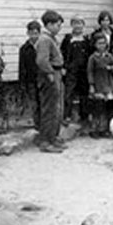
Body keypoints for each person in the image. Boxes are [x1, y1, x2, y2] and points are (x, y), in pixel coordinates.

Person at [36, 10, 66, 153]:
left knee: (56, 109)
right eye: (57, 25)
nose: (59, 28)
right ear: (49, 24)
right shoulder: (44, 39)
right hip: (49, 76)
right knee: (49, 109)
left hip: (57, 73)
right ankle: (45, 141)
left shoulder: (51, 38)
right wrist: (50, 74)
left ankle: (53, 137)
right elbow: (42, 60)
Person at [60, 15, 91, 124]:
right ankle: (67, 116)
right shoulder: (68, 39)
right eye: (75, 23)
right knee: (69, 92)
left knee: (84, 93)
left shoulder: (87, 39)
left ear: (83, 25)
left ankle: (84, 117)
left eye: (80, 23)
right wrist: (63, 67)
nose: (77, 26)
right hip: (71, 70)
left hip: (83, 70)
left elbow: (90, 55)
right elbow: (62, 54)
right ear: (71, 25)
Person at [87, 33, 113, 137]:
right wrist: (91, 85)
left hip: (108, 83)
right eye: (99, 43)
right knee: (97, 108)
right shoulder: (93, 58)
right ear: (95, 45)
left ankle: (104, 129)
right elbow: (90, 72)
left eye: (104, 43)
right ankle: (94, 129)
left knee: (106, 108)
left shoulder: (109, 56)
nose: (102, 45)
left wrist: (112, 68)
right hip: (98, 83)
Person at [18, 20, 41, 129]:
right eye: (31, 33)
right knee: (34, 104)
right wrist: (22, 82)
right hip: (31, 80)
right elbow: (22, 66)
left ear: (39, 33)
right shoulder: (24, 49)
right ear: (27, 33)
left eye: (36, 33)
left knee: (44, 103)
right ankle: (37, 125)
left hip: (43, 80)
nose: (33, 36)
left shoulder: (43, 46)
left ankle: (45, 125)